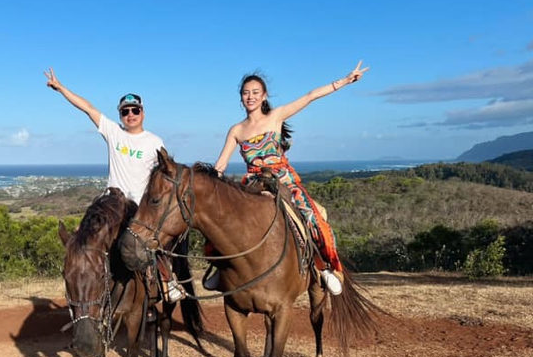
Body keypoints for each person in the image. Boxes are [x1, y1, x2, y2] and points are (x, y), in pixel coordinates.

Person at [213, 62, 369, 296]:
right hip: (252, 184)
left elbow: (310, 96)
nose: (250, 97)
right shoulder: (236, 130)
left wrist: (345, 81)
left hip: (283, 180)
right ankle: (219, 268)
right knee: (222, 220)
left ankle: (326, 266)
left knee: (312, 216)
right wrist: (212, 181)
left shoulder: (276, 116)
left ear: (264, 96)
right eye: (246, 93)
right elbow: (222, 163)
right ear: (240, 98)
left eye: (255, 92)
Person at [45, 68, 185, 301]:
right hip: (112, 203)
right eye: (125, 112)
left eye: (135, 110)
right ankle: (87, 294)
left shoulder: (154, 142)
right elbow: (88, 108)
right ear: (120, 115)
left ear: (143, 112)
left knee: (152, 245)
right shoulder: (114, 133)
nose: (130, 114)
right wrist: (61, 89)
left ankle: (167, 279)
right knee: (84, 239)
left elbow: (166, 174)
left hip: (140, 206)